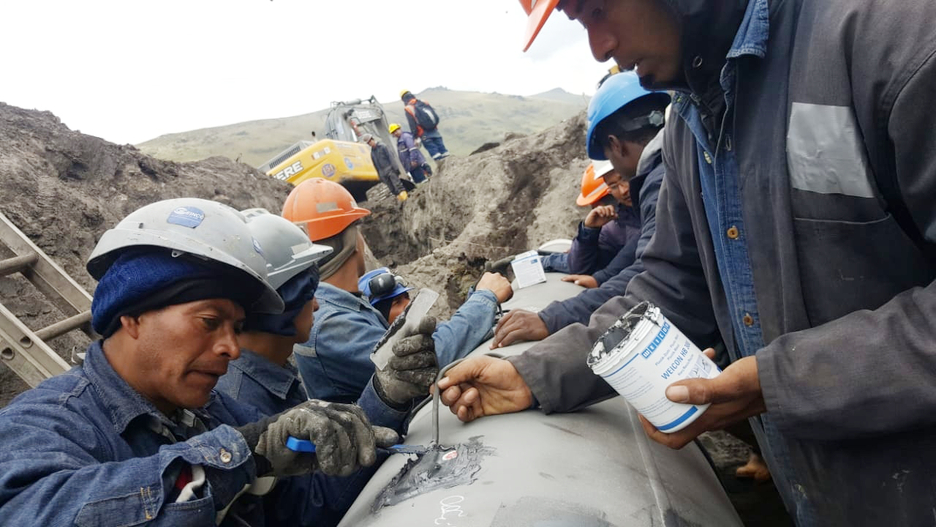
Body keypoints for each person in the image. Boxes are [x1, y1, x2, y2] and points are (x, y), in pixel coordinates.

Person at [440, 0, 936, 524]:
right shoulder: (689, 125)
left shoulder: (889, 38)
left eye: (597, 10)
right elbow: (675, 285)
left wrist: (780, 381)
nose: (598, 49)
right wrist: (533, 375)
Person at [0, 198, 431, 525]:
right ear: (131, 315)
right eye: (209, 321)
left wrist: (385, 396)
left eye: (236, 326)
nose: (232, 348)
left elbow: (307, 508)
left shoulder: (210, 413)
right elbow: (32, 512)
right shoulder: (44, 425)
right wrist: (238, 456)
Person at [282, 178, 513, 403]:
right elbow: (424, 362)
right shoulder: (330, 324)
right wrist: (484, 298)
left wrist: (477, 297)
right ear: (353, 242)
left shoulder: (342, 307)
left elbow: (425, 342)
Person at [491, 71, 667, 349]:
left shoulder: (658, 188)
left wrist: (555, 317)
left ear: (615, 145)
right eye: (612, 187)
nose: (621, 190)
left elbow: (646, 271)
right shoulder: (681, 166)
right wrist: (588, 235)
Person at [400, 90, 449, 160]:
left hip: (423, 133)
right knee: (443, 149)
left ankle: (441, 164)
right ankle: (451, 163)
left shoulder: (408, 108)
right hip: (434, 129)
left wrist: (415, 136)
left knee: (434, 152)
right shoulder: (423, 102)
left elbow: (412, 124)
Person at [362, 133, 408, 202]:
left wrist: (396, 169)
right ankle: (401, 201)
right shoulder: (372, 153)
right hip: (383, 174)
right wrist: (380, 177)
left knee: (398, 186)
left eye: (370, 142)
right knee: (393, 189)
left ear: (372, 139)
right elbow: (376, 166)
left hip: (390, 171)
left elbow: (391, 158)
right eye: (368, 143)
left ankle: (406, 200)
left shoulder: (383, 147)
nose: (370, 144)